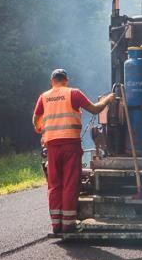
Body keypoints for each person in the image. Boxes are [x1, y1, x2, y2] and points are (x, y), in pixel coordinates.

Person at [32, 69, 114, 234]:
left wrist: (43, 131)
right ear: (66, 80)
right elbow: (95, 109)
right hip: (70, 145)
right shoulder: (73, 93)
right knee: (70, 183)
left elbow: (35, 119)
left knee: (55, 184)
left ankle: (56, 225)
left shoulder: (44, 96)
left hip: (52, 146)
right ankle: (68, 224)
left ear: (52, 81)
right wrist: (107, 99)